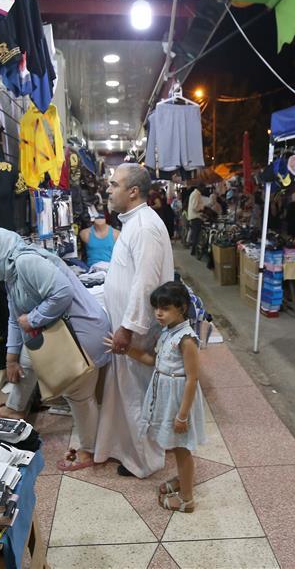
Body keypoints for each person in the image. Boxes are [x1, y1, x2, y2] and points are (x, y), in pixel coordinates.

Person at [0, 228, 111, 472]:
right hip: (65, 333)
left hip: (82, 334)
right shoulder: (11, 272)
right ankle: (15, 409)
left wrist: (34, 319)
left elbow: (62, 292)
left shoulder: (25, 262)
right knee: (25, 360)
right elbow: (15, 318)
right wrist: (10, 359)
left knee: (77, 392)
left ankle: (89, 450)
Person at [96, 163, 174, 478]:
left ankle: (145, 460)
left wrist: (128, 328)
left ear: (133, 191)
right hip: (127, 323)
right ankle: (127, 448)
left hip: (137, 329)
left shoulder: (144, 227)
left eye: (114, 185)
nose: (108, 190)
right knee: (127, 391)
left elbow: (145, 284)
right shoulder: (133, 222)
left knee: (138, 395)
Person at [106, 281, 206, 512]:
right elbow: (154, 360)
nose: (159, 313)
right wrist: (125, 349)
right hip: (166, 394)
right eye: (156, 308)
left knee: (181, 448)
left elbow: (192, 378)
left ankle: (187, 498)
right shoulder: (168, 332)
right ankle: (183, 480)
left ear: (181, 308)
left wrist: (182, 416)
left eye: (166, 308)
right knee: (174, 445)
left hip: (179, 398)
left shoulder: (187, 339)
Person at [187, 187, 205, 255]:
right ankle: (194, 251)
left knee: (195, 234)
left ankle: (193, 250)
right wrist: (201, 209)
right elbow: (194, 207)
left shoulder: (194, 194)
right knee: (196, 235)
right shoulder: (196, 195)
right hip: (196, 217)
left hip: (194, 217)